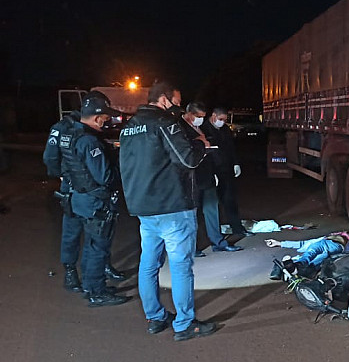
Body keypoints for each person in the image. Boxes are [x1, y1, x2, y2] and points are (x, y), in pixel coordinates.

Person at [119, 81, 218, 341]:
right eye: (176, 101)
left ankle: (155, 317)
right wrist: (201, 144)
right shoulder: (165, 123)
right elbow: (187, 159)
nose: (178, 107)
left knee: (148, 264)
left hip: (144, 207)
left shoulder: (128, 128)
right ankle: (184, 324)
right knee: (181, 266)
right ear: (164, 99)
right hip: (172, 206)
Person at [43, 90, 127, 294]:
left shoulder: (89, 131)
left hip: (84, 185)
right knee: (74, 233)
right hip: (73, 187)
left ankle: (100, 269)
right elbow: (50, 157)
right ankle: (72, 272)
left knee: (98, 233)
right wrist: (64, 176)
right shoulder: (63, 128)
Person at [62, 96, 129, 307]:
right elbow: (104, 176)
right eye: (105, 117)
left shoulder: (72, 134)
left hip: (79, 199)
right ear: (98, 118)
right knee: (97, 247)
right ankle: (97, 291)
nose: (106, 121)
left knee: (91, 245)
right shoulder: (90, 141)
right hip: (94, 202)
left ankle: (92, 286)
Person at [179, 101, 242, 255]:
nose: (200, 119)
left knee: (211, 209)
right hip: (193, 177)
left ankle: (218, 242)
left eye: (202, 116)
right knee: (192, 215)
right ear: (189, 114)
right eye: (198, 116)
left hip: (207, 175)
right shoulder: (181, 128)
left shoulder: (199, 128)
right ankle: (191, 247)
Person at [201, 107, 252, 236]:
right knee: (211, 206)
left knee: (230, 200)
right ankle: (214, 233)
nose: (222, 122)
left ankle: (237, 229)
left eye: (224, 120)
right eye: (221, 119)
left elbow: (231, 148)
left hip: (226, 170)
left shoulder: (224, 130)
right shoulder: (204, 129)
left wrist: (236, 163)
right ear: (213, 116)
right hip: (212, 171)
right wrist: (210, 172)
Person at [265, 230, 349, 280]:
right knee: (316, 257)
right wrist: (279, 243)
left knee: (316, 252)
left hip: (335, 246)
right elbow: (301, 244)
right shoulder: (320, 241)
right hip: (324, 251)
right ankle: (299, 268)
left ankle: (300, 265)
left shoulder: (341, 238)